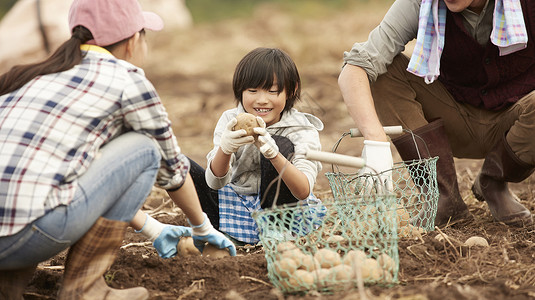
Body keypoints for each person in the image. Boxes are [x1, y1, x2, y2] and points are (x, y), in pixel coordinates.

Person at [0, 0, 235, 299]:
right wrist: (202, 226)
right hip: (31, 237)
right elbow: (172, 169)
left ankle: (7, 286)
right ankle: (84, 288)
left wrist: (152, 227)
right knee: (145, 149)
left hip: (8, 241)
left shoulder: (32, 75)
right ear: (133, 40)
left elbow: (89, 179)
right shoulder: (127, 79)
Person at [338, 0, 534, 227]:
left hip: (517, 126)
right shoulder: (420, 3)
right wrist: (375, 141)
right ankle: (444, 197)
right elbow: (355, 67)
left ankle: (494, 180)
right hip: (452, 119)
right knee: (384, 70)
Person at [188, 47, 325, 245]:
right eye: (252, 91)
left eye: (272, 91)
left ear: (291, 90)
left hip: (282, 214)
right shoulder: (231, 120)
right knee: (182, 168)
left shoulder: (301, 129)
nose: (262, 100)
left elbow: (303, 190)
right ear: (240, 91)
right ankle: (213, 232)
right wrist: (225, 149)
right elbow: (214, 183)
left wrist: (274, 155)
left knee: (281, 144)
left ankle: (278, 236)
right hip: (234, 207)